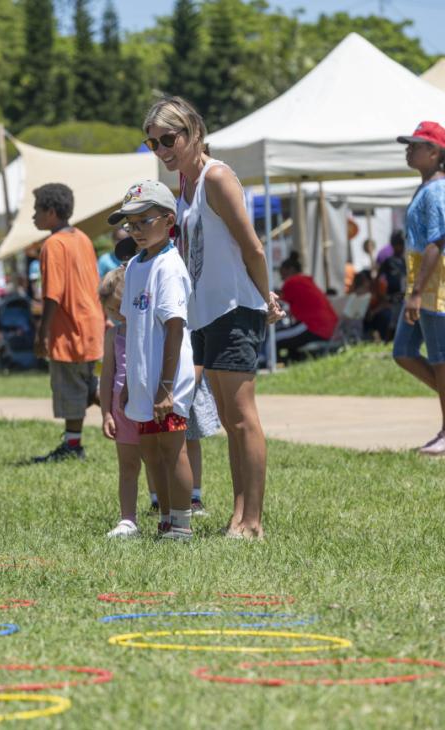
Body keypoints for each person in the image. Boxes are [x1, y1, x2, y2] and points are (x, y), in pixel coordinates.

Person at [145, 95, 283, 540]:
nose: (162, 150)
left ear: (194, 133)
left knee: (242, 418)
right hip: (204, 315)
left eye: (169, 139)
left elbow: (252, 246)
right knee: (228, 420)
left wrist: (266, 299)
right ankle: (239, 514)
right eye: (153, 143)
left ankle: (253, 521)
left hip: (234, 310)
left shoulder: (216, 177)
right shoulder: (184, 189)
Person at [111, 180, 196, 540]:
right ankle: (163, 516)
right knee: (150, 452)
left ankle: (181, 523)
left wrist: (165, 386)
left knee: (172, 449)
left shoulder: (169, 266)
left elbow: (174, 328)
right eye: (131, 224)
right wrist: (131, 381)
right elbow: (131, 326)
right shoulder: (134, 267)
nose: (137, 230)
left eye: (145, 221)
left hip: (167, 379)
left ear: (168, 219)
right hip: (144, 378)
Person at [393, 122, 445, 454]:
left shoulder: (437, 190)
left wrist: (417, 292)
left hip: (436, 287)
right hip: (425, 285)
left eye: (415, 145)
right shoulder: (428, 187)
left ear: (435, 153)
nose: (409, 149)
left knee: (442, 356)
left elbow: (437, 242)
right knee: (403, 352)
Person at [30, 183, 105, 463]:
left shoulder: (53, 244)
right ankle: (120, 428)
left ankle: (74, 446)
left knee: (72, 389)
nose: (33, 217)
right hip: (93, 324)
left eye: (36, 210)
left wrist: (43, 333)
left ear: (51, 212)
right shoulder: (82, 237)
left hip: (69, 327)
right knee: (91, 387)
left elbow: (53, 293)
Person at [99, 267, 149, 538]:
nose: (117, 316)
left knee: (157, 461)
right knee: (128, 465)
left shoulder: (150, 329)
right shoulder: (112, 335)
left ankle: (164, 507)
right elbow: (107, 376)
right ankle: (128, 518)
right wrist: (106, 412)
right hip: (121, 410)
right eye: (110, 311)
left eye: (120, 308)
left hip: (148, 406)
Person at [275, 253, 339, 362]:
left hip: (314, 327)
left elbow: (277, 302)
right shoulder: (306, 280)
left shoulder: (292, 282)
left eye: (282, 275)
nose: (282, 279)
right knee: (286, 336)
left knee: (272, 338)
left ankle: (266, 363)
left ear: (290, 269)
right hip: (329, 328)